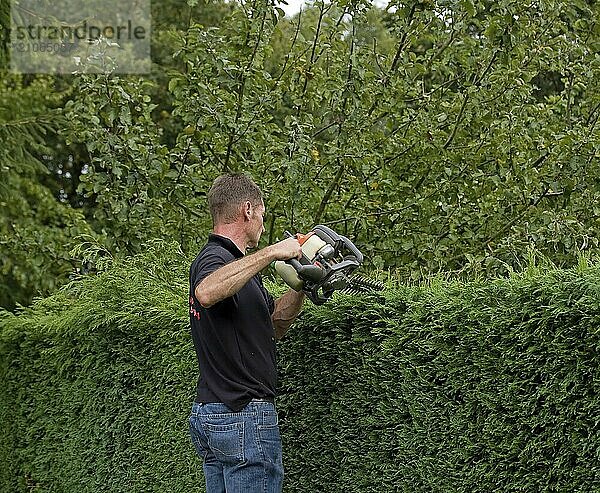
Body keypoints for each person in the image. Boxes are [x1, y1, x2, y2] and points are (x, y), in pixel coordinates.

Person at [188, 173, 305, 493]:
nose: (264, 227)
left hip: (221, 414)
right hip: (242, 415)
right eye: (263, 216)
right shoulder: (215, 257)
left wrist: (302, 283)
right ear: (248, 210)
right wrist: (271, 253)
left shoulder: (241, 270)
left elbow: (275, 324)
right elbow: (207, 292)